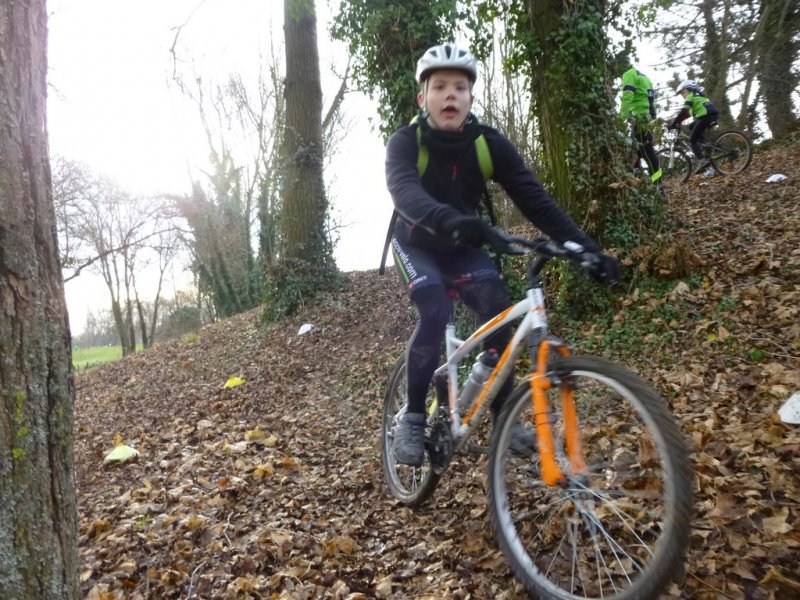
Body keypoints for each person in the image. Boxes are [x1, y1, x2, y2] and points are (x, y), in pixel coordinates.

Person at [384, 42, 620, 467]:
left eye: (460, 87)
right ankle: (415, 415)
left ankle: (502, 419)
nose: (450, 95)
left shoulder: (487, 144)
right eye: (439, 87)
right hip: (416, 244)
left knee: (499, 317)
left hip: (464, 248)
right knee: (434, 310)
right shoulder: (405, 142)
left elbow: (536, 201)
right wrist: (452, 219)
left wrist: (587, 249)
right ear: (423, 98)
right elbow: (405, 193)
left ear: (471, 97)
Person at [619, 65, 662, 185]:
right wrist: (652, 116)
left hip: (639, 119)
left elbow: (628, 95)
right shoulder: (645, 78)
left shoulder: (629, 74)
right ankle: (636, 183)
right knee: (636, 153)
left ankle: (658, 187)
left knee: (649, 155)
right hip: (645, 118)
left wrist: (620, 118)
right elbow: (651, 99)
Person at [668, 79, 720, 174]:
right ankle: (705, 145)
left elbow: (683, 112)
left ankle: (702, 160)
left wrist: (673, 124)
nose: (682, 95)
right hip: (712, 115)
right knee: (692, 126)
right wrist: (678, 122)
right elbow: (686, 115)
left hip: (706, 116)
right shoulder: (698, 97)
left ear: (689, 90)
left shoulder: (690, 96)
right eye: (681, 94)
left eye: (683, 92)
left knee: (692, 140)